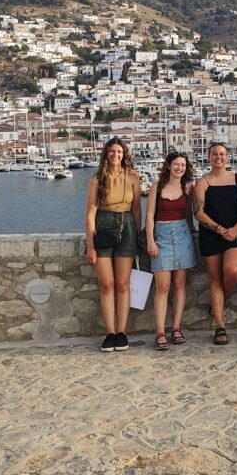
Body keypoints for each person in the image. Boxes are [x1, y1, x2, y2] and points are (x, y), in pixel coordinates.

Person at [84, 137, 143, 353]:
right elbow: (90, 213)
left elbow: (137, 208)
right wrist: (91, 246)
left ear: (124, 153)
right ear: (106, 154)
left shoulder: (134, 177)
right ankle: (110, 332)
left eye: (119, 151)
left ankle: (122, 331)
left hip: (126, 226)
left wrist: (138, 234)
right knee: (106, 284)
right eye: (111, 151)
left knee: (123, 284)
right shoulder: (97, 179)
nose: (115, 155)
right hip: (104, 226)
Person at [193, 142, 237, 345]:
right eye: (214, 154)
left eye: (222, 154)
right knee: (215, 278)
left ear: (227, 156)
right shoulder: (202, 182)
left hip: (235, 233)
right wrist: (219, 229)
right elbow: (198, 213)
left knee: (232, 271)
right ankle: (220, 326)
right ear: (209, 157)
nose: (218, 157)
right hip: (211, 234)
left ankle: (218, 300)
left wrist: (235, 229)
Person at [144, 151, 197, 351]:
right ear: (168, 166)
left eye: (183, 165)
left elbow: (193, 211)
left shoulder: (189, 187)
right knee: (163, 287)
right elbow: (149, 215)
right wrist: (150, 241)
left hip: (183, 235)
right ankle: (160, 332)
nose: (179, 168)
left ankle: (176, 327)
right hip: (161, 236)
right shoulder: (156, 188)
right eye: (176, 164)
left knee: (179, 284)